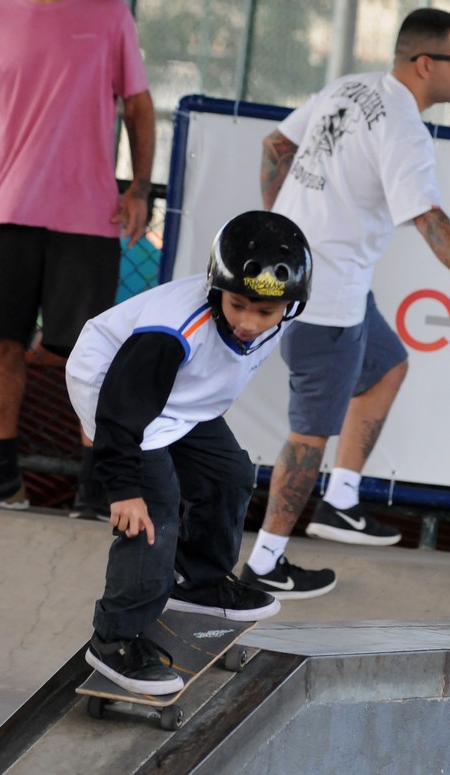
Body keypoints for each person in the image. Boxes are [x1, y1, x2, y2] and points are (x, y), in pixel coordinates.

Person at [241, 7, 450, 600]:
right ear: (425, 64)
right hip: (325, 306)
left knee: (389, 365)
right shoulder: (402, 127)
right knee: (307, 436)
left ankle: (341, 500)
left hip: (328, 290)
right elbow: (425, 214)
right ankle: (264, 563)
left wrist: (282, 227)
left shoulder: (348, 87)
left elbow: (276, 144)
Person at [64, 211, 311, 694]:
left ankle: (201, 581)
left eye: (265, 312)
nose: (248, 323)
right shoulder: (171, 330)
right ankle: (115, 637)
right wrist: (123, 488)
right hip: (115, 386)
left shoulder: (278, 308)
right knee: (153, 516)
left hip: (178, 396)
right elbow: (120, 409)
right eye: (237, 305)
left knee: (230, 475)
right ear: (217, 287)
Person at [0, 0, 155, 518]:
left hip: (88, 217)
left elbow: (139, 106)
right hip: (7, 210)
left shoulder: (111, 17)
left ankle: (93, 486)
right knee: (4, 344)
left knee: (90, 356)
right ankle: (4, 475)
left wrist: (140, 189)